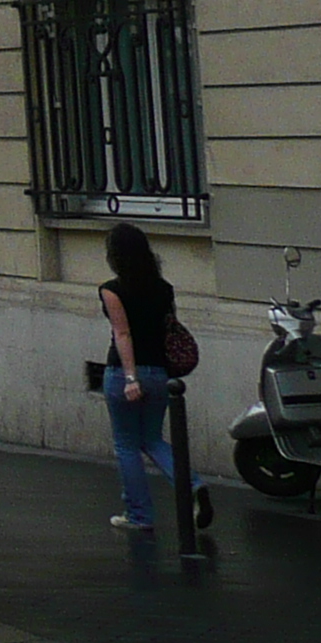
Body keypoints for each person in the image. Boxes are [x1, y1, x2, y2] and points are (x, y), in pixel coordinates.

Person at [99, 221, 210, 533]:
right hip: (161, 374)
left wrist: (131, 378)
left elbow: (122, 333)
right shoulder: (164, 289)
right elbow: (169, 329)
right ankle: (193, 484)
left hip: (124, 372)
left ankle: (139, 515)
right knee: (151, 438)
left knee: (126, 444)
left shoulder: (112, 290)